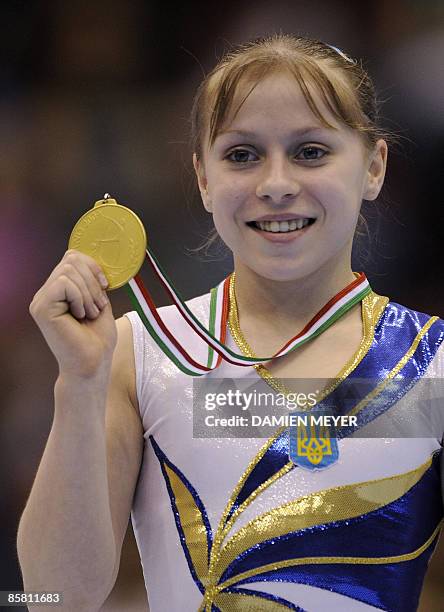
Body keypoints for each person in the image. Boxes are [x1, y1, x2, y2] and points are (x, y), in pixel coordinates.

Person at [17, 34, 444, 612]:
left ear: (374, 167)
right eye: (242, 155)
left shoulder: (432, 362)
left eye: (311, 151)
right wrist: (79, 384)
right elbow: (52, 598)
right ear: (203, 179)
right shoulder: (142, 352)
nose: (275, 184)